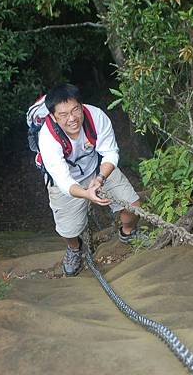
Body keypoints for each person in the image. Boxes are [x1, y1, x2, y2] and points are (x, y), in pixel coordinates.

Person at [38, 83, 142, 276]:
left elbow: (110, 152)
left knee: (133, 205)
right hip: (67, 183)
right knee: (68, 230)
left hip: (97, 170)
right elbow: (63, 179)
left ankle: (128, 232)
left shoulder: (96, 117)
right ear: (53, 116)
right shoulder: (47, 137)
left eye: (75, 109)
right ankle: (74, 248)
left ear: (81, 105)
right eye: (63, 114)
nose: (72, 118)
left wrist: (101, 178)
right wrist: (86, 193)